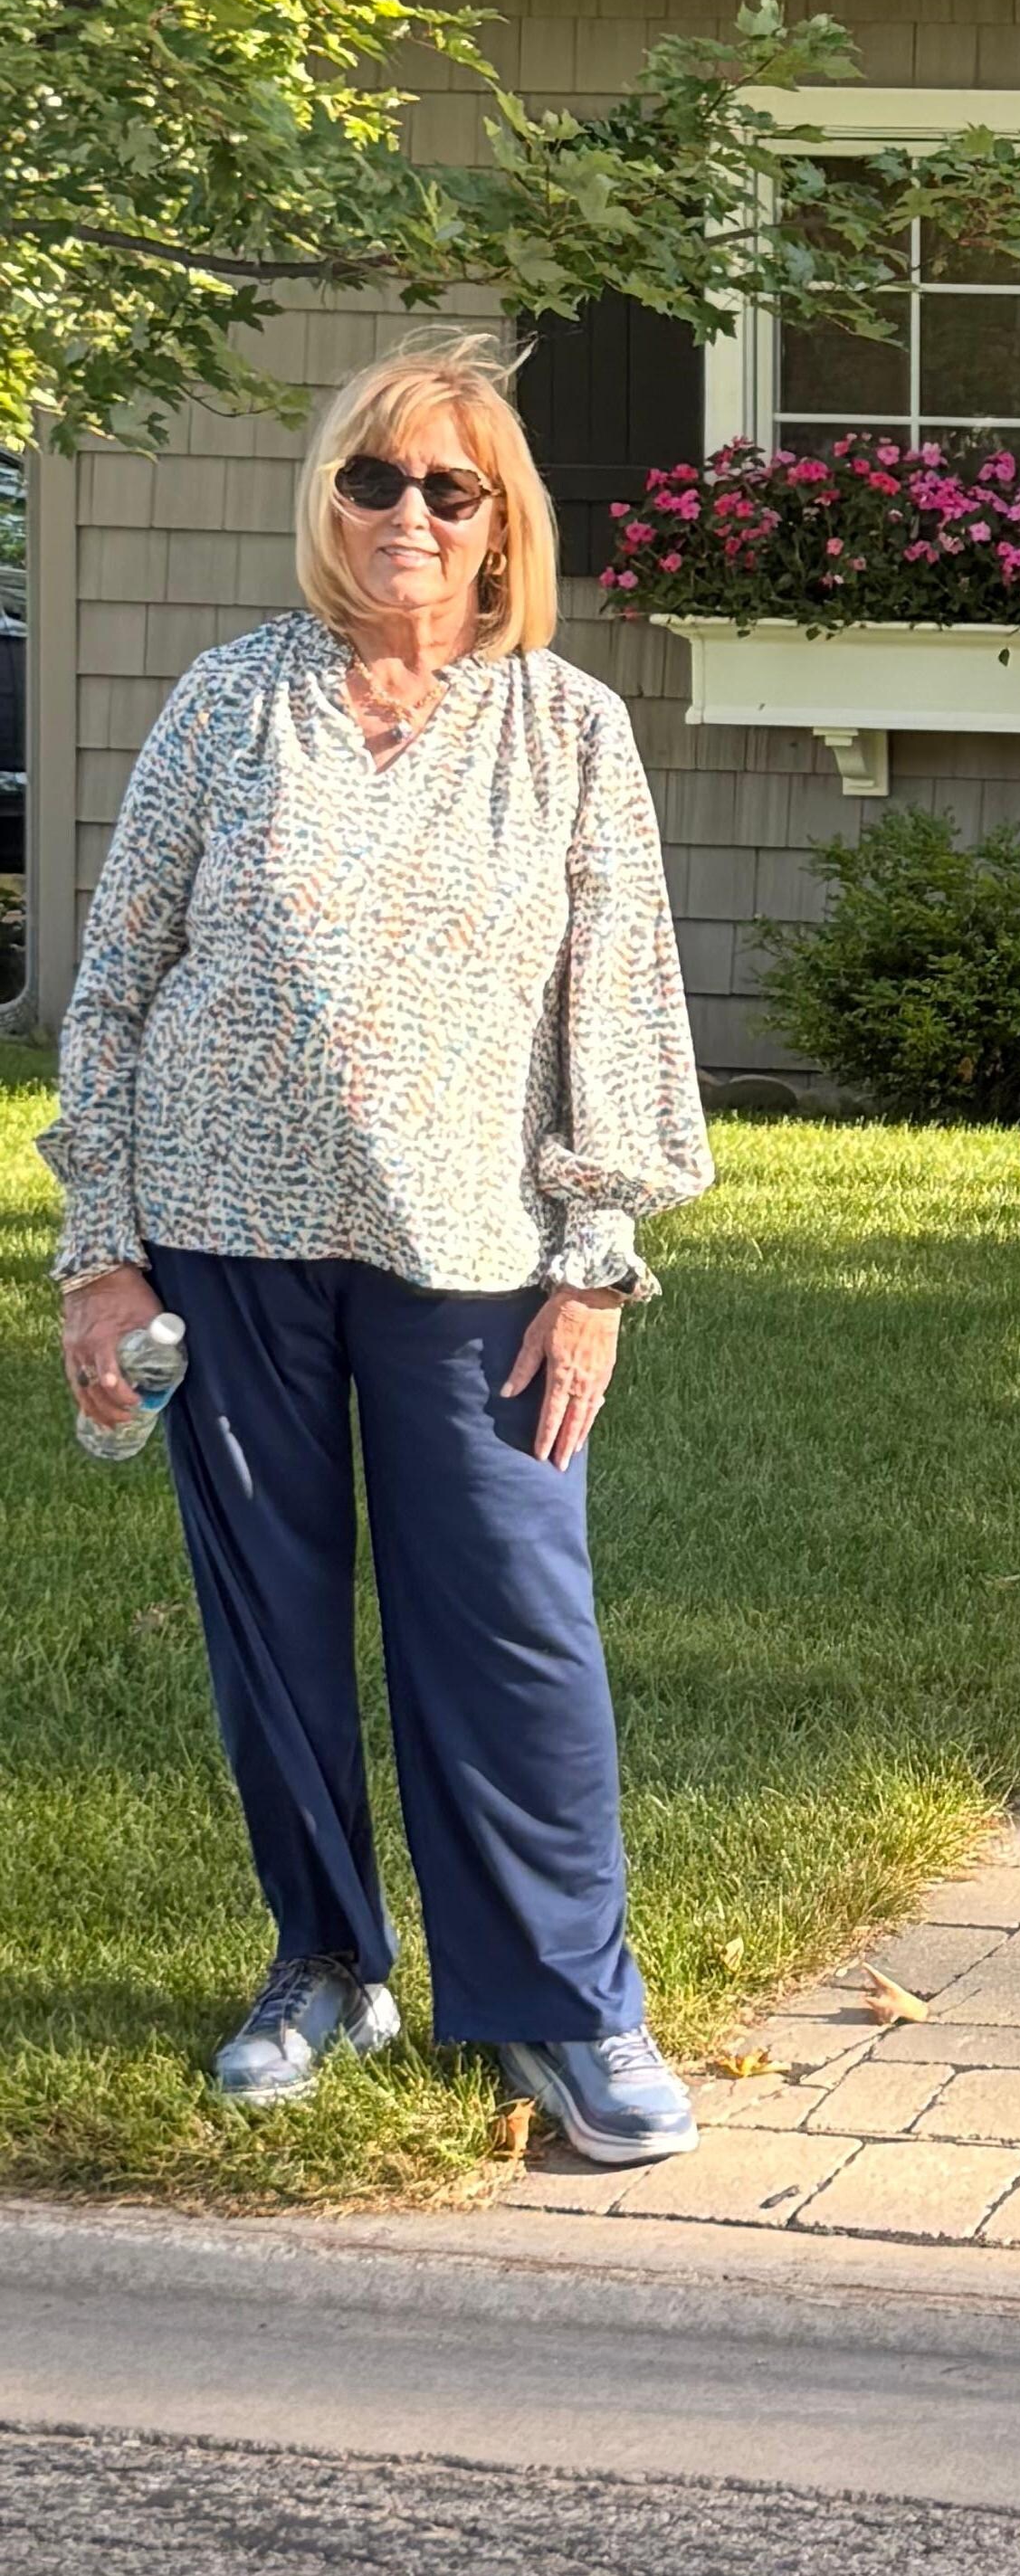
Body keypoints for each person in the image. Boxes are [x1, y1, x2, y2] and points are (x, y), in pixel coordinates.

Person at [45, 337, 714, 2160]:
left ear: (506, 526)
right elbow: (112, 988)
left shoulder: (565, 725)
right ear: (325, 503)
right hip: (218, 1239)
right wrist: (103, 1248)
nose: (407, 514)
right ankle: (330, 1960)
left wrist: (596, 1267)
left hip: (475, 1254)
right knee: (269, 1624)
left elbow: (621, 1016)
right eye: (373, 480)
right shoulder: (228, 699)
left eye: (450, 488)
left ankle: (567, 2010)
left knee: (510, 1624)